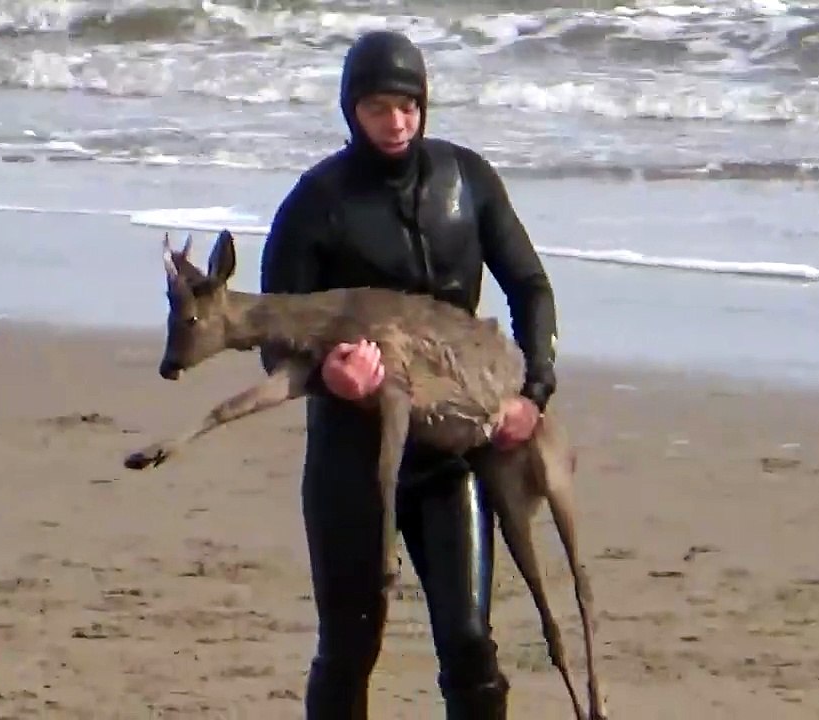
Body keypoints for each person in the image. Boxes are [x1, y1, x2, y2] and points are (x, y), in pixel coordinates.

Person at [257, 29, 559, 719]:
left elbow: (530, 287)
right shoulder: (318, 202)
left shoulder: (466, 182)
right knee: (351, 645)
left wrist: (531, 392)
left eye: (407, 106)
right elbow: (275, 336)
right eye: (376, 109)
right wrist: (332, 374)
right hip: (352, 456)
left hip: (449, 454)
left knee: (469, 640)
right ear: (350, 112)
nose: (395, 122)